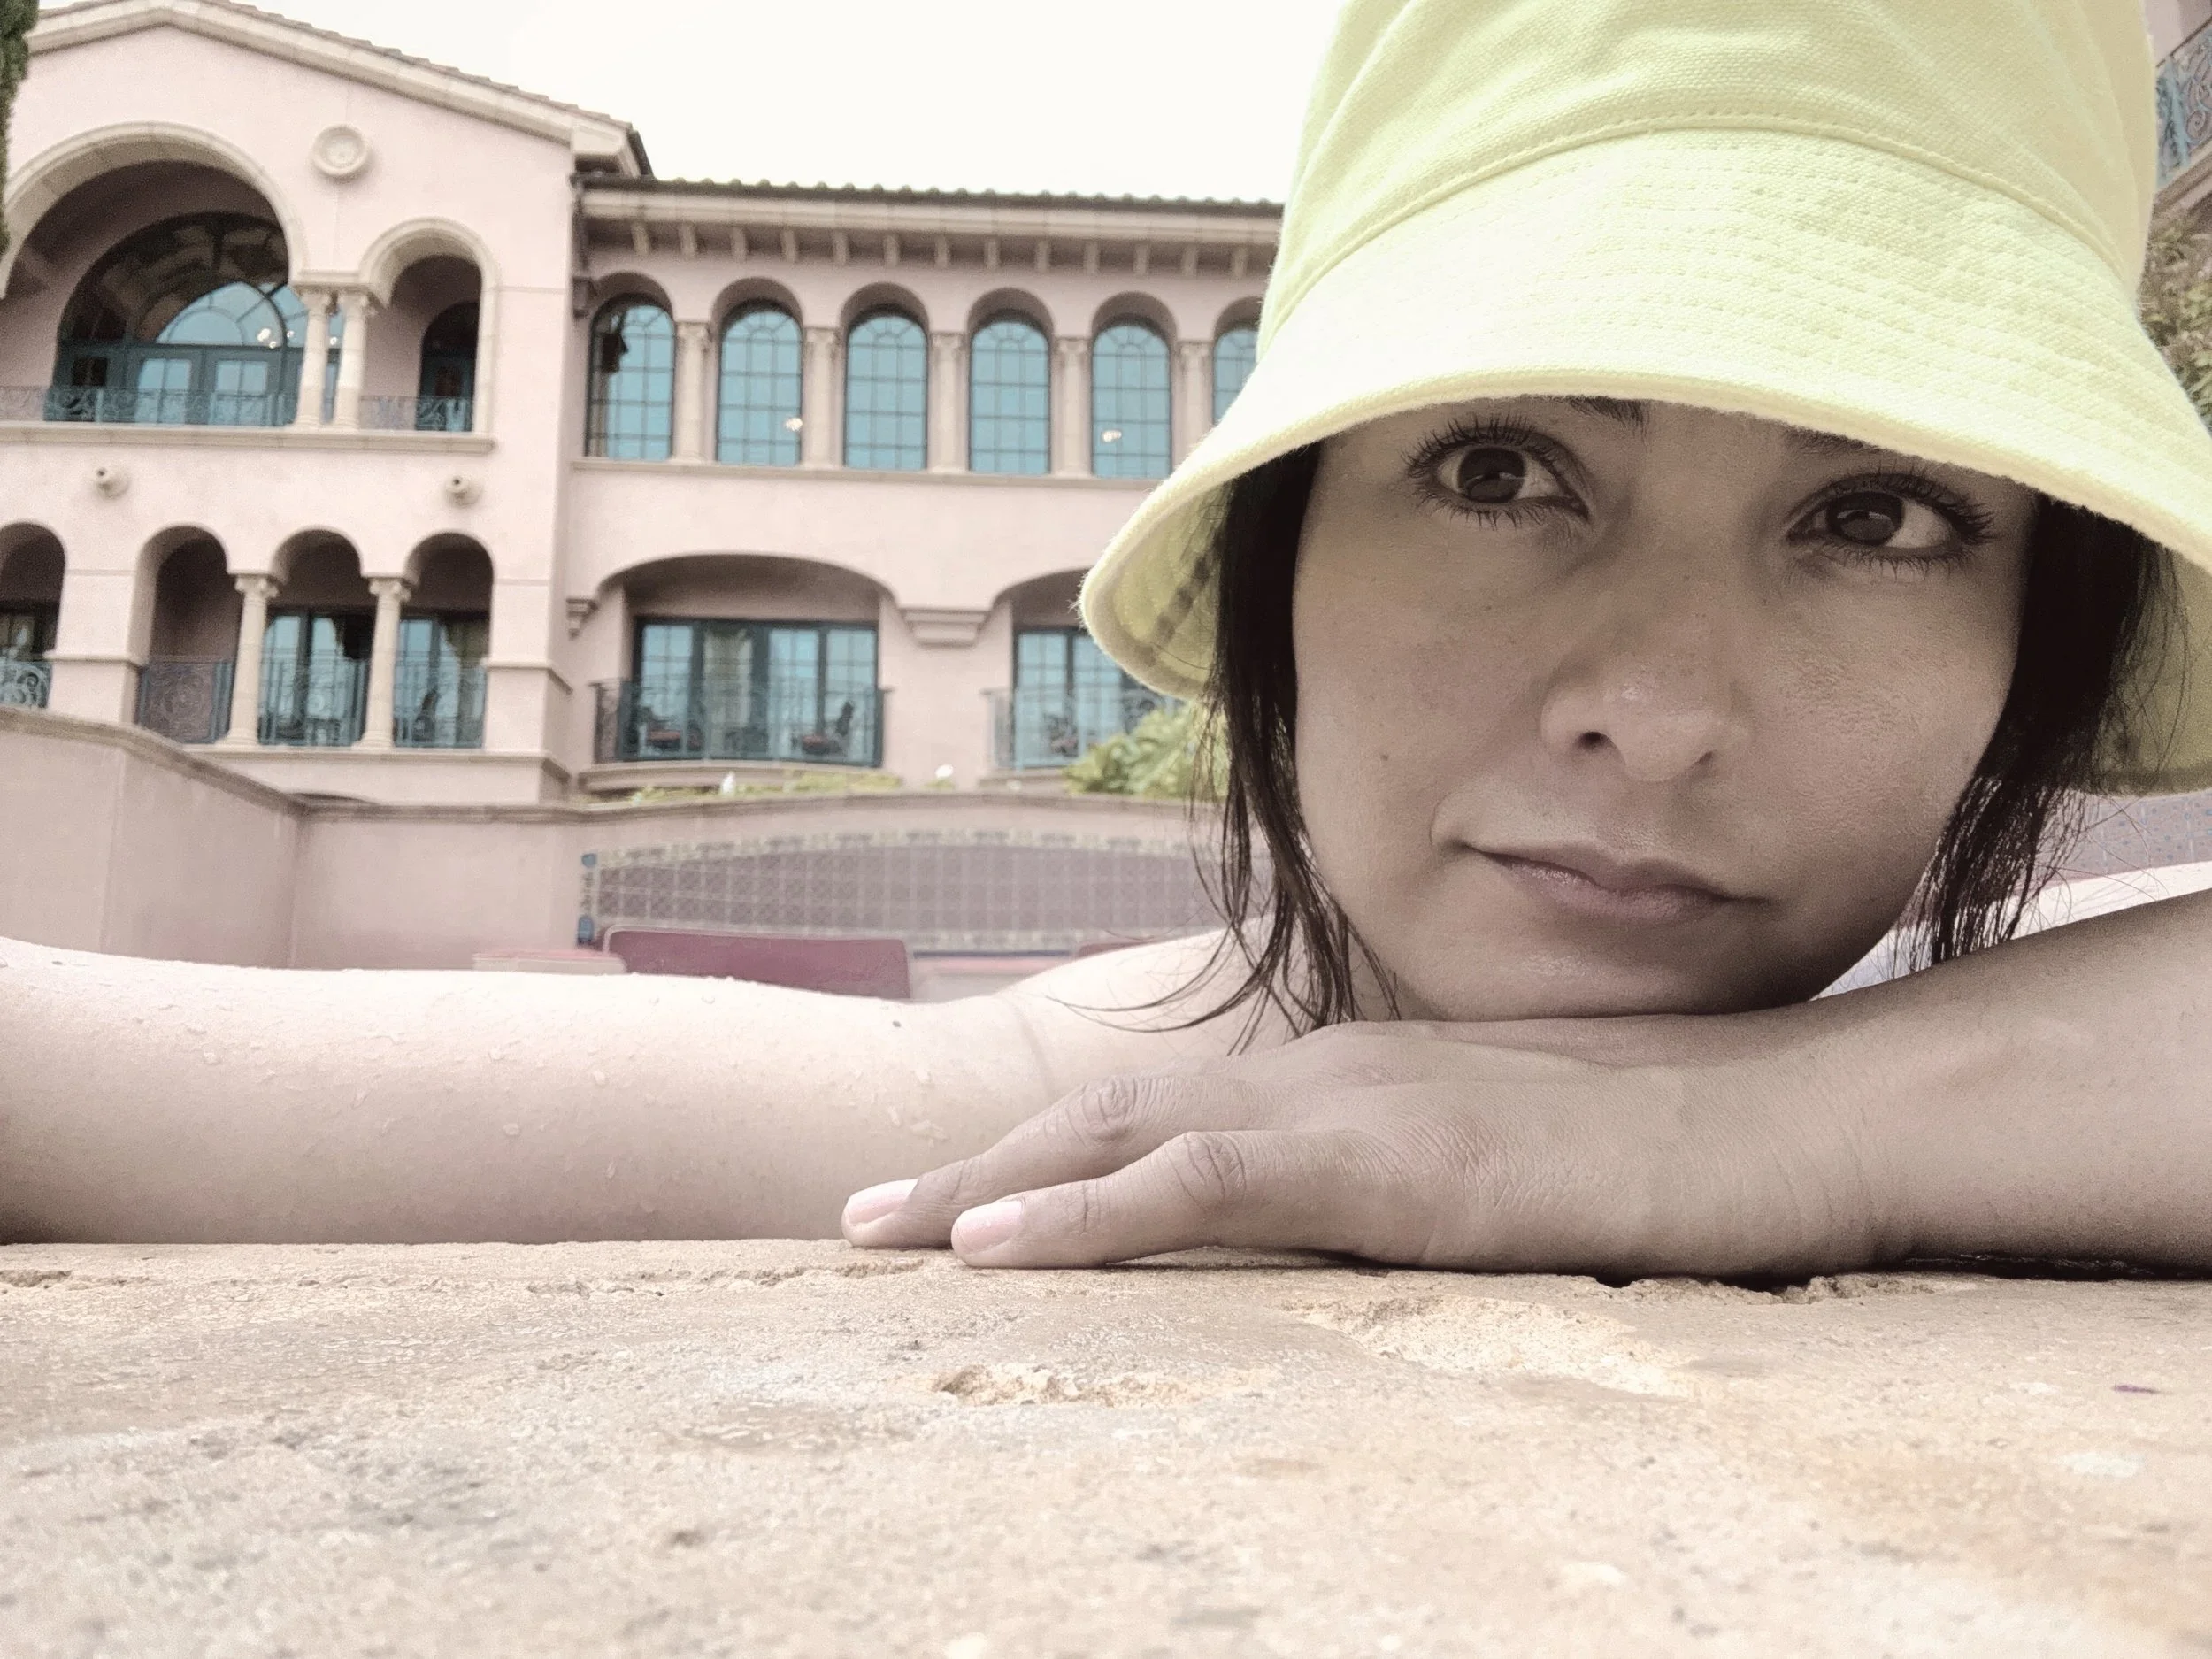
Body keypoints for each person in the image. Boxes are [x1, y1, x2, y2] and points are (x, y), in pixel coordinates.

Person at [5, 0, 2211, 1275]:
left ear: (2035, 621)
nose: (1650, 708)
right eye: (1497, 466)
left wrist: (1764, 1125)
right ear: (1282, 544)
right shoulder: (1084, 1111)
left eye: (1874, 516)